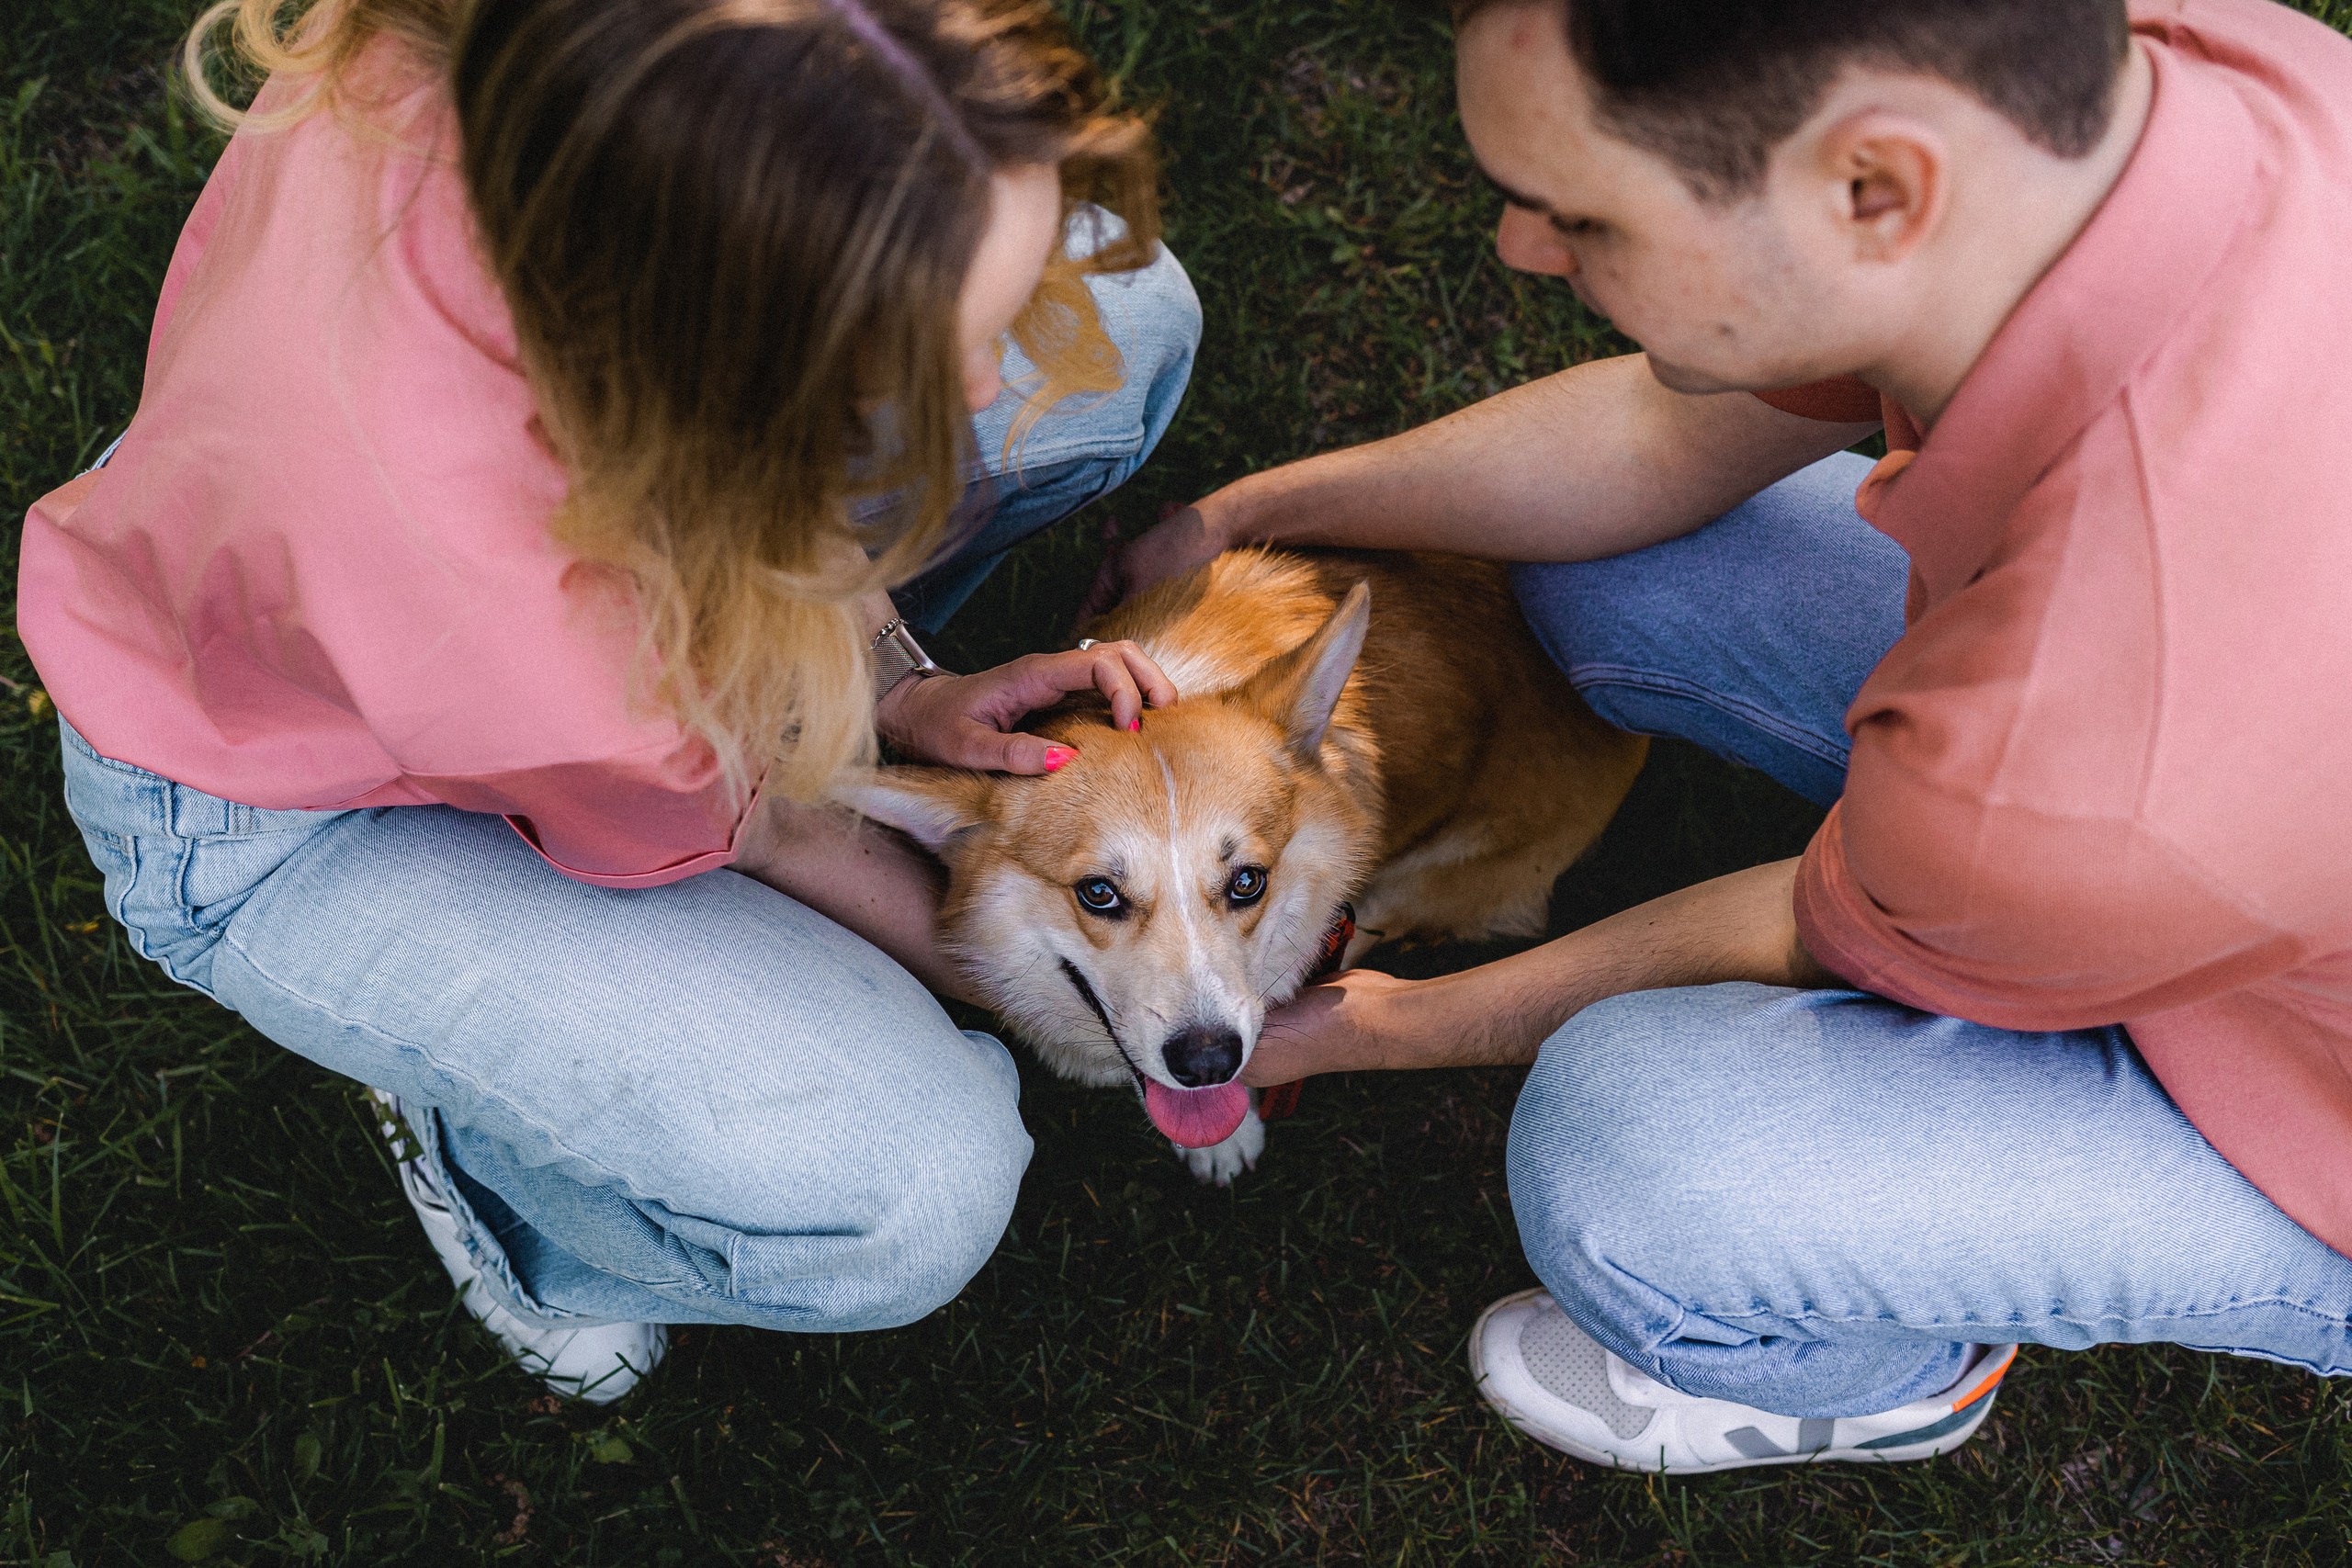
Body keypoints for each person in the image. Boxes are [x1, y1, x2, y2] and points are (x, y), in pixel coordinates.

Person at [1089, 0, 2352, 1472]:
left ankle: (1883, 1368)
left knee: (1624, 1156)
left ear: (1874, 189)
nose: (1520, 251)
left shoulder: (2078, 778)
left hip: (2295, 1074)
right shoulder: (2199, 78)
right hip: (2178, 790)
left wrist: (1380, 1024)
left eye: (1583, 216)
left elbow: (1817, 923)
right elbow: (1658, 445)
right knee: (1575, 562)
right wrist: (1247, 515)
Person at [15, 0, 1201, 1404]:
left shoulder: (499, 52)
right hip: (267, 808)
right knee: (908, 1191)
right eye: (915, 351)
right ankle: (508, 1177)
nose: (984, 379)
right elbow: (775, 824)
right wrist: (1102, 998)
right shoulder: (545, 639)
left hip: (336, 571)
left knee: (1125, 324)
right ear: (713, 365)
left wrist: (897, 683)